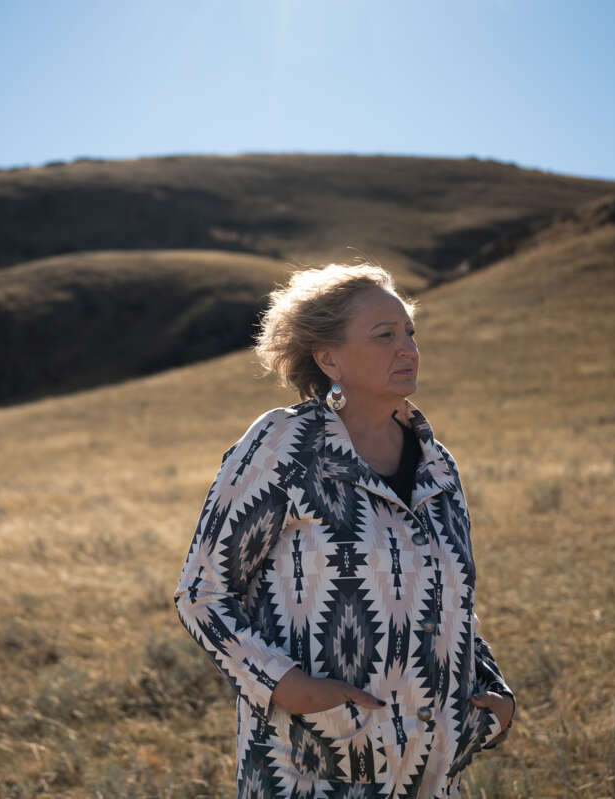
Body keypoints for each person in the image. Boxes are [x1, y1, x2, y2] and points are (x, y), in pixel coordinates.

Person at [174, 263, 514, 798]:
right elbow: (203, 593)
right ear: (329, 358)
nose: (407, 349)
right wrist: (287, 687)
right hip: (310, 773)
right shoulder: (284, 446)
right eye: (385, 336)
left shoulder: (437, 464)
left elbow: (451, 596)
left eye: (410, 334)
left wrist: (494, 693)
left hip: (429, 771)